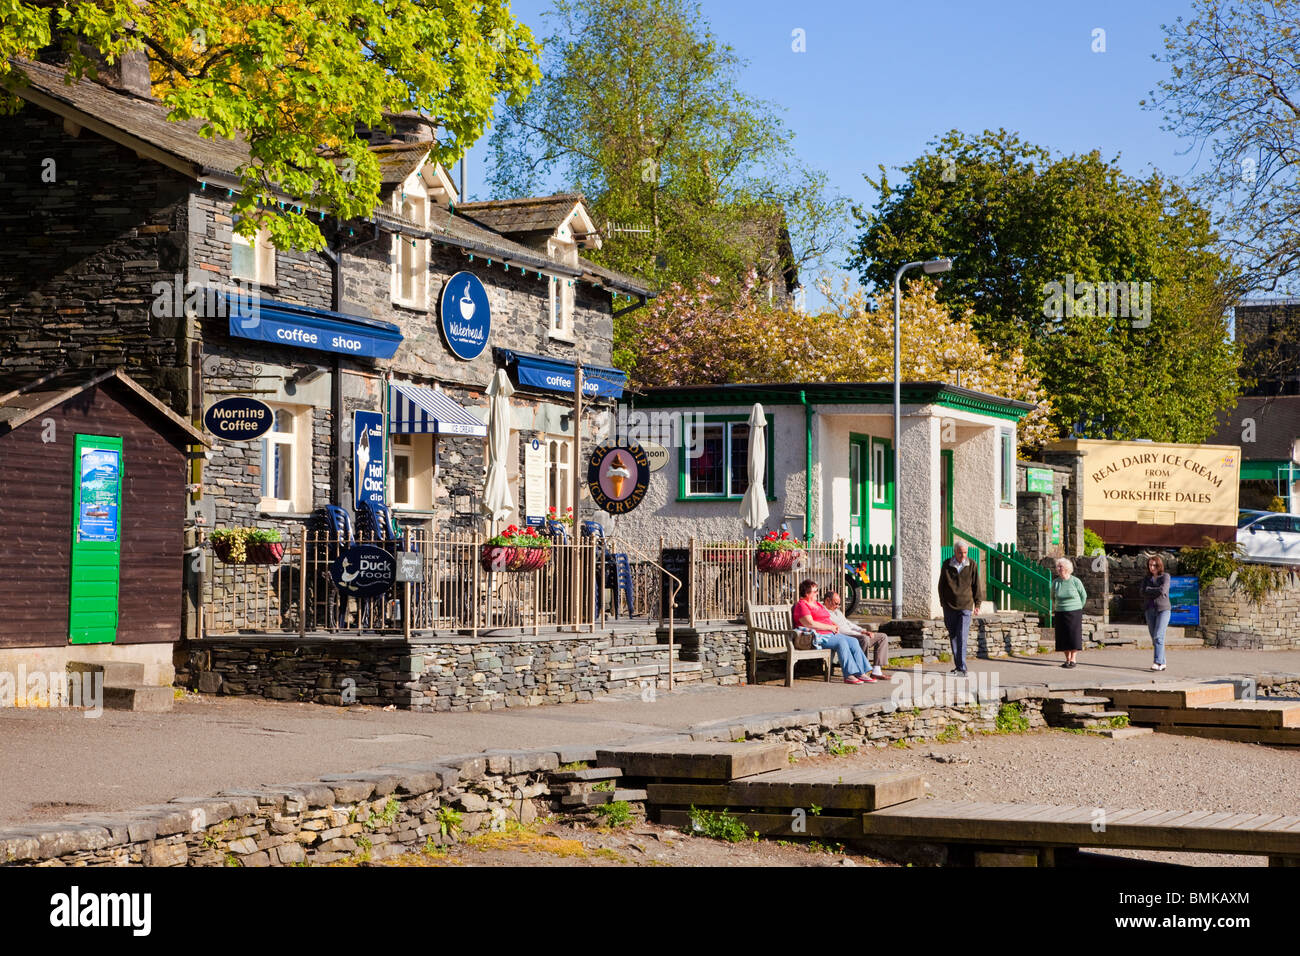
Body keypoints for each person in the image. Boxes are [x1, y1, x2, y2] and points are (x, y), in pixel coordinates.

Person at [791, 579, 875, 684]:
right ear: (807, 593)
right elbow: (809, 623)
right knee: (841, 642)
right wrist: (829, 627)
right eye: (815, 591)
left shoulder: (817, 604)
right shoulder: (802, 605)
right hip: (815, 637)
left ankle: (861, 673)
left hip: (828, 634)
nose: (817, 593)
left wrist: (833, 624)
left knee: (853, 641)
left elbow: (826, 618)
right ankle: (849, 675)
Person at [938, 541, 983, 676]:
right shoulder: (947, 564)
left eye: (965, 553)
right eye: (960, 552)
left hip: (966, 606)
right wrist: (943, 602)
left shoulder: (972, 564)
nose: (963, 555)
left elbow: (976, 585)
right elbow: (941, 585)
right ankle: (958, 667)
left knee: (962, 636)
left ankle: (962, 668)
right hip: (949, 606)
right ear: (955, 552)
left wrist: (977, 604)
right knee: (953, 636)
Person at [824, 591, 888, 679]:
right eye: (836, 603)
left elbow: (848, 623)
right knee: (864, 639)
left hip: (854, 634)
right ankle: (861, 671)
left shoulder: (837, 611)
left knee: (882, 637)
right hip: (845, 636)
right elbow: (841, 630)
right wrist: (860, 634)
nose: (838, 606)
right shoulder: (824, 612)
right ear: (827, 600)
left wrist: (863, 631)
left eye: (839, 604)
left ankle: (876, 671)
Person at [1053, 557, 1087, 668]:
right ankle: (1067, 659)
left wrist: (1079, 607)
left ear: (1067, 568)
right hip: (1060, 612)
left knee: (1074, 636)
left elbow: (1083, 595)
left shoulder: (1075, 581)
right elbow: (1052, 597)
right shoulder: (1056, 582)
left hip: (1074, 612)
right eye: (1058, 567)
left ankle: (1073, 659)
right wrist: (1057, 607)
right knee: (1063, 637)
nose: (1058, 569)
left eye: (1060, 566)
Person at [1142, 555, 1171, 672]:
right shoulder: (1146, 579)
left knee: (1159, 635)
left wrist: (1149, 590)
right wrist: (1152, 590)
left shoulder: (1165, 577)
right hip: (1149, 609)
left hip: (1163, 609)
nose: (1152, 567)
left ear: (1159, 566)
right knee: (1155, 638)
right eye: (1150, 565)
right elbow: (1142, 591)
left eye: (1154, 565)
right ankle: (1162, 662)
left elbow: (1162, 590)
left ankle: (1157, 662)